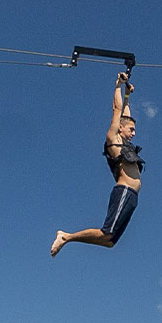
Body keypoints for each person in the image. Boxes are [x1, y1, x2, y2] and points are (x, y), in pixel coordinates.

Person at [51, 72, 142, 255]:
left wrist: (127, 94)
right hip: (124, 190)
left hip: (132, 196)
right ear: (121, 128)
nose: (133, 133)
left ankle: (67, 237)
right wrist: (118, 84)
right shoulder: (113, 138)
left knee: (109, 242)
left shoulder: (126, 143)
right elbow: (117, 111)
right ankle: (66, 237)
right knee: (106, 232)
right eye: (131, 130)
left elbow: (125, 113)